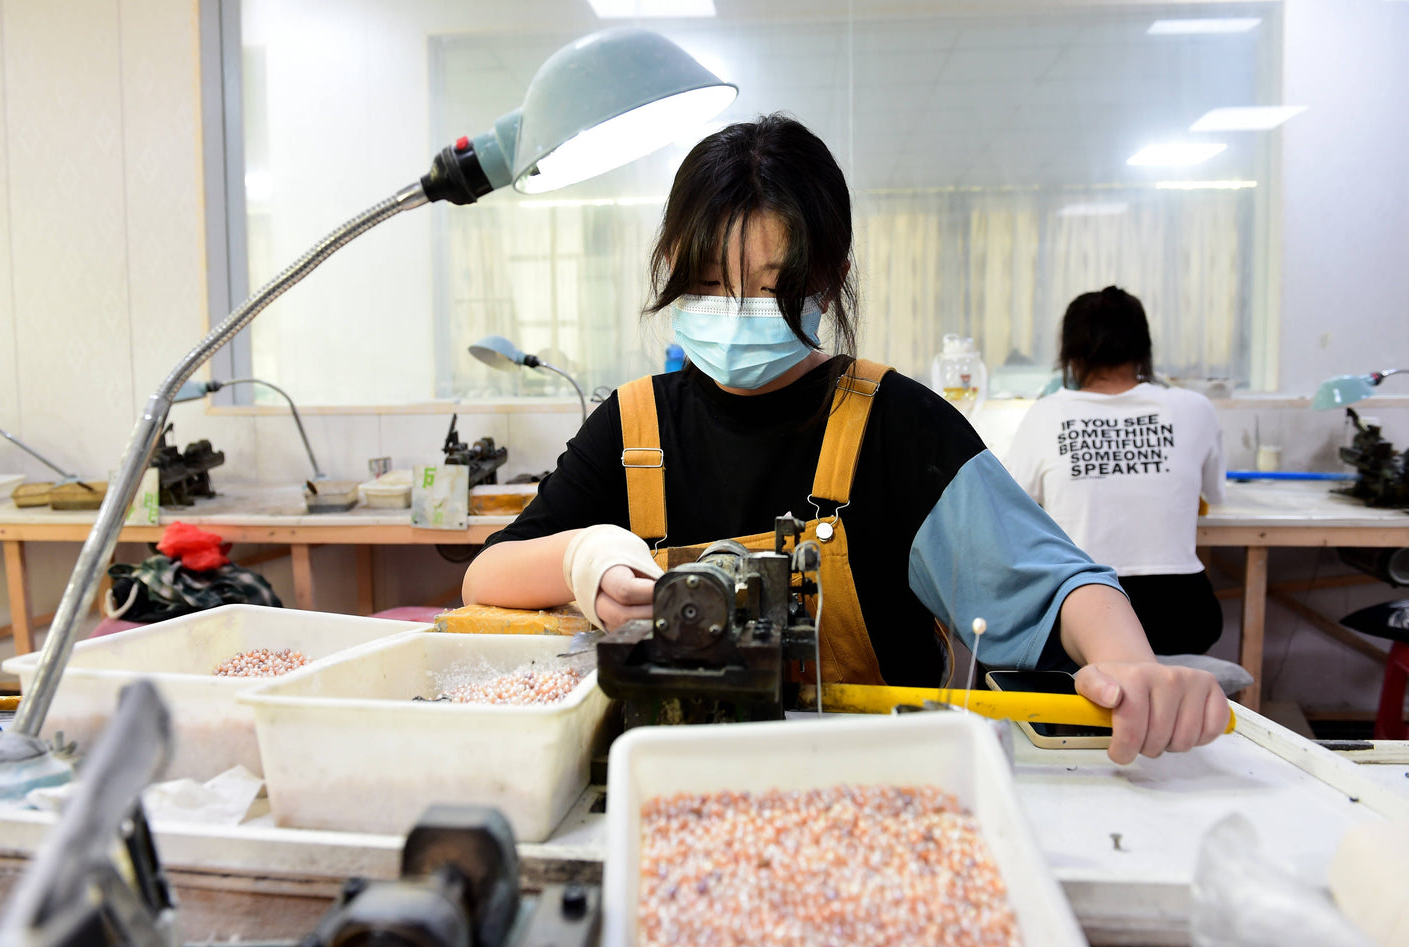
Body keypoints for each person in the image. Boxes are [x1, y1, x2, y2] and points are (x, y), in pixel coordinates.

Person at [463, 115, 1229, 764]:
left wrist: (1131, 667)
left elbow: (1059, 585)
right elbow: (487, 577)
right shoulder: (634, 427)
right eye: (708, 283)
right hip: (668, 773)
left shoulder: (896, 424)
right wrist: (584, 558)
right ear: (669, 267)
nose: (737, 310)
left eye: (772, 286)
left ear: (830, 279)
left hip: (873, 777)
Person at [1006, 286, 1226, 656]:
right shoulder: (1194, 408)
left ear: (1070, 352)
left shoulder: (1046, 414)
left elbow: (1014, 507)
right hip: (1182, 614)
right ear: (1143, 348)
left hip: (1086, 613)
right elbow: (1215, 496)